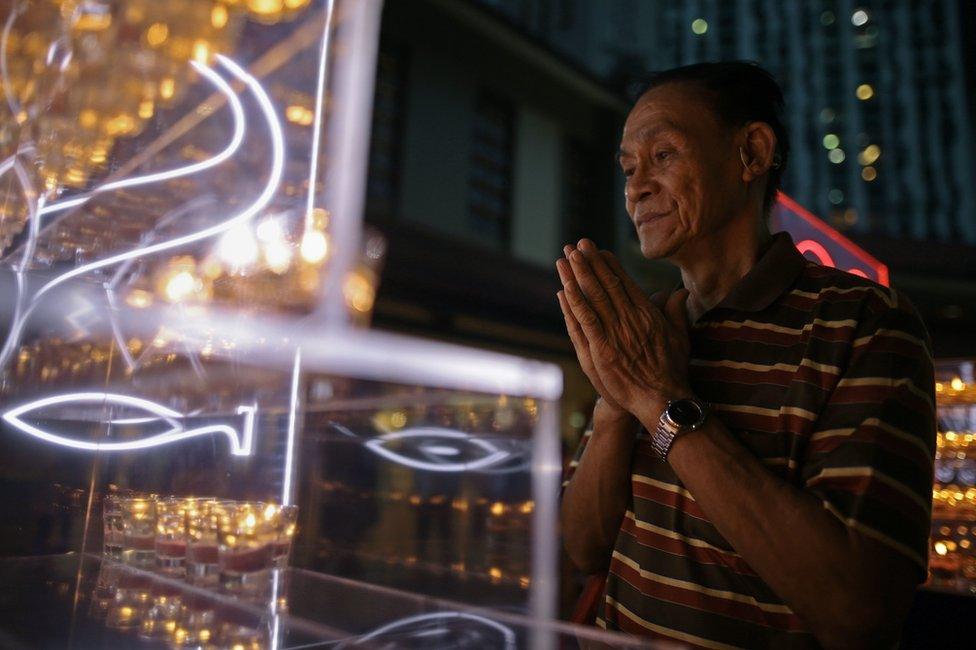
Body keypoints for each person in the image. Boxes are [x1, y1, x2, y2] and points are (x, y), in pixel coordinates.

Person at [557, 61, 935, 649]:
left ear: (751, 154)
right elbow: (583, 547)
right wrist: (616, 401)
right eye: (629, 168)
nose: (635, 188)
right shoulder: (646, 331)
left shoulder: (864, 324)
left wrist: (660, 399)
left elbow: (858, 610)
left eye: (663, 155)